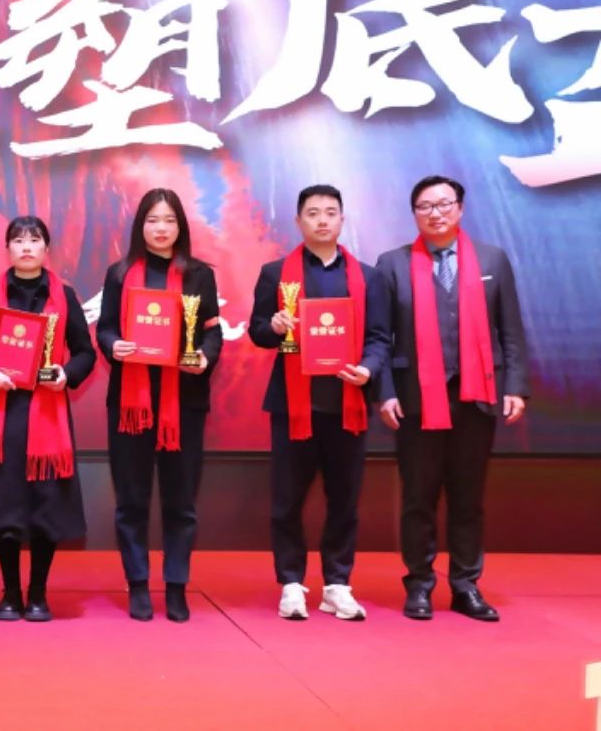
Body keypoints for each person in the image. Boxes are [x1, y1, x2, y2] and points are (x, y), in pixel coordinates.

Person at [376, 175, 528, 622]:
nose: (436, 213)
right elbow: (379, 337)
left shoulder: (492, 260)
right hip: (415, 399)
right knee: (418, 497)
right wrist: (384, 393)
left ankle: (465, 586)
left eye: (444, 204)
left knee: (468, 497)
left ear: (460, 208)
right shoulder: (392, 264)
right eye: (425, 206)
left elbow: (511, 330)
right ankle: (419, 584)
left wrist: (515, 385)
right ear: (414, 214)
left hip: (476, 397)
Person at [248, 184, 391, 621]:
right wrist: (274, 327)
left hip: (347, 402)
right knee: (286, 501)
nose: (322, 220)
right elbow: (257, 332)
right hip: (293, 405)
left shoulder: (368, 277)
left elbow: (380, 338)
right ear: (299, 221)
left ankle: (337, 584)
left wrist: (368, 368)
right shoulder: (275, 274)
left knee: (344, 500)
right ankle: (291, 583)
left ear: (342, 219)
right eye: (313, 213)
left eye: (331, 212)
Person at [0, 216, 96, 622]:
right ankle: (10, 593)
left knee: (45, 507)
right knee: (5, 507)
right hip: (3, 416)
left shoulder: (64, 296)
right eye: (18, 240)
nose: (27, 247)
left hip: (48, 417)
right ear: (8, 249)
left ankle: (37, 593)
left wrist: (66, 374)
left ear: (47, 249)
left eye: (35, 240)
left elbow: (85, 352)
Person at [96, 187, 222, 622]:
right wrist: (114, 346)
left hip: (184, 403)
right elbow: (105, 328)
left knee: (180, 501)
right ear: (141, 226)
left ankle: (175, 585)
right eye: (153, 220)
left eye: (169, 220)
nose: (161, 228)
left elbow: (212, 331)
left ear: (180, 226)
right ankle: (137, 583)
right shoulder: (119, 273)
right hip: (130, 404)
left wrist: (203, 357)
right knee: (131, 499)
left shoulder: (199, 275)